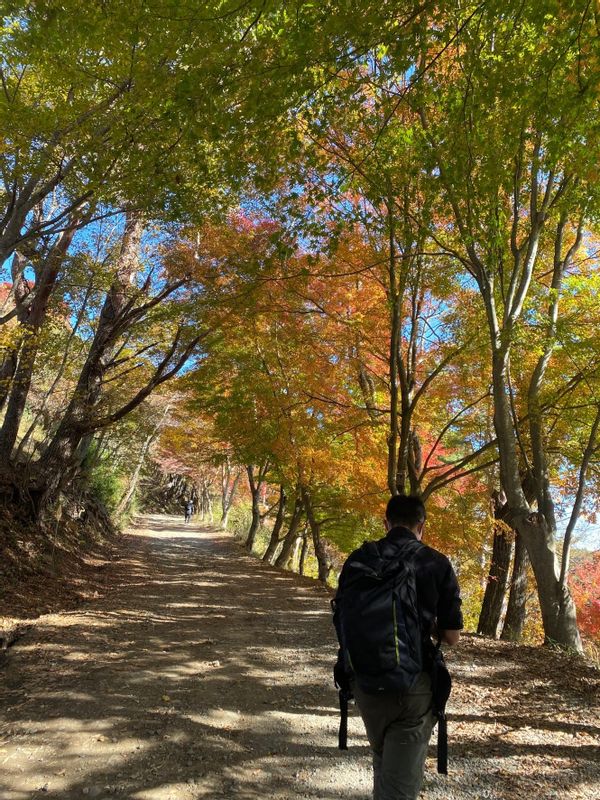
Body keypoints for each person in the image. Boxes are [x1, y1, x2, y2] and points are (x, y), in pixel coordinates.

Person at [333, 494, 463, 800]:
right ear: (422, 526)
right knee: (399, 787)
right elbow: (451, 636)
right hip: (412, 688)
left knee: (384, 763)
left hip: (364, 681)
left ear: (386, 523)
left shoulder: (359, 559)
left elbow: (343, 616)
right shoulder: (435, 562)